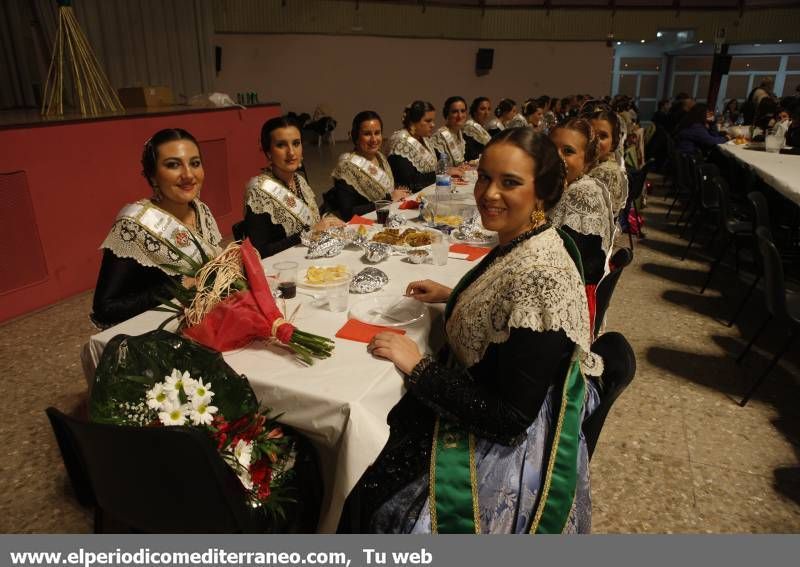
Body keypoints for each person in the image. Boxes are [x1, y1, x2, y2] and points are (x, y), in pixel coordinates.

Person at [344, 127, 602, 534]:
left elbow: (509, 417)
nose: (488, 193)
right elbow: (510, 311)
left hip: (506, 446)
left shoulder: (541, 275)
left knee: (373, 497)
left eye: (509, 183)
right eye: (485, 177)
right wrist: (453, 294)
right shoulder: (527, 239)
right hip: (497, 397)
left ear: (543, 193)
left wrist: (419, 368)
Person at [91, 128, 223, 328]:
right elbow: (105, 308)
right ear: (152, 175)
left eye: (195, 163)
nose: (188, 175)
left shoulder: (201, 210)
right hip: (164, 333)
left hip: (209, 320)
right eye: (173, 165)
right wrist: (176, 286)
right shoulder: (134, 225)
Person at [244, 116, 343, 258]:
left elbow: (311, 223)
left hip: (309, 257)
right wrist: (309, 233)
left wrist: (327, 221)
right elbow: (260, 252)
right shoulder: (259, 191)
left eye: (296, 143)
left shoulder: (299, 180)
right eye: (281, 145)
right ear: (268, 152)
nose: (291, 152)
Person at [549, 118, 614, 331]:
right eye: (551, 149)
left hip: (569, 302)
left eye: (567, 151)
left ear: (586, 161)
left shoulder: (583, 194)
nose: (557, 158)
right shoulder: (563, 186)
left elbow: (568, 264)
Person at [328, 111, 410, 221]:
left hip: (386, 217)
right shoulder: (346, 168)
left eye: (377, 133)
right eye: (367, 134)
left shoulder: (380, 157)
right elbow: (348, 214)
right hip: (362, 225)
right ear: (356, 136)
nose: (374, 140)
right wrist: (388, 200)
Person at [386, 101, 439, 193]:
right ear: (413, 122)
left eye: (433, 120)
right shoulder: (400, 142)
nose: (433, 125)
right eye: (428, 121)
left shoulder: (424, 138)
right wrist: (439, 175)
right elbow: (408, 182)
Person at [585, 109, 628, 217]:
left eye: (603, 136)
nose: (596, 140)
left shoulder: (605, 173)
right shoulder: (595, 163)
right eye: (591, 134)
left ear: (613, 143)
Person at [431, 96, 469, 166]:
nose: (460, 116)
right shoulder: (439, 138)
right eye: (455, 112)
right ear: (447, 114)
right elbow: (436, 169)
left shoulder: (460, 134)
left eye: (463, 111)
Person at [463, 97, 492, 162]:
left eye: (489, 109)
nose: (486, 113)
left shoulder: (481, 128)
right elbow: (471, 155)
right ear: (475, 111)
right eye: (482, 109)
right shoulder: (470, 127)